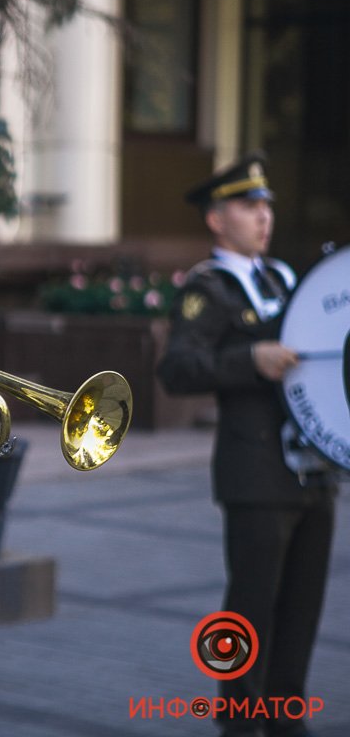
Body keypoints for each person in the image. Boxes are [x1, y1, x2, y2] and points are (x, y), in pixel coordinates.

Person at [157, 152, 337, 737]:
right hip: (255, 472)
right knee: (250, 610)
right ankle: (238, 721)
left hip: (311, 469)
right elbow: (177, 369)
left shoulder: (284, 278)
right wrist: (249, 359)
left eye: (267, 206)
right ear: (217, 220)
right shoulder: (207, 288)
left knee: (302, 609)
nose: (264, 216)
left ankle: (286, 719)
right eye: (248, 205)